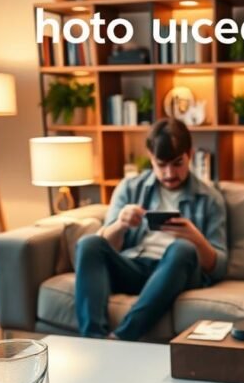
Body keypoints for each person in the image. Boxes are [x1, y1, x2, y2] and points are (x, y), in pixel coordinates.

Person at [75, 118, 227, 340]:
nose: (169, 173)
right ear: (150, 157)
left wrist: (195, 238)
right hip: (134, 266)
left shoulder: (210, 198)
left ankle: (121, 338)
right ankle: (93, 340)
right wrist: (120, 224)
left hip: (177, 272)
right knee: (88, 243)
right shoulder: (130, 187)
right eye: (161, 165)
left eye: (177, 163)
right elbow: (105, 246)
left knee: (182, 248)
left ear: (190, 154)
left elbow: (219, 268)